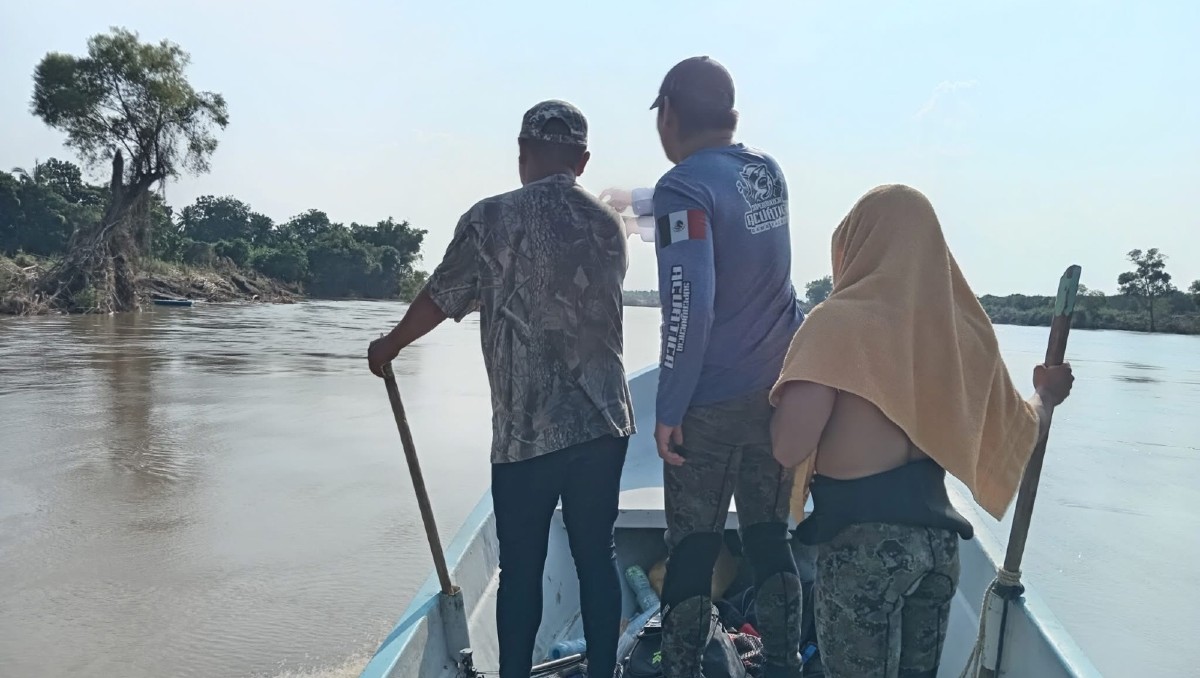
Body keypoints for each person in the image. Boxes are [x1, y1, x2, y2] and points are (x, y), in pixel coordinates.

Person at [367, 100, 635, 678]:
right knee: (596, 558)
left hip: (526, 432)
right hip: (603, 426)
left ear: (521, 155)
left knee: (520, 569)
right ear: (582, 161)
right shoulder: (607, 225)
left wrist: (390, 345)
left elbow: (441, 297)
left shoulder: (490, 220)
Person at [769, 184, 1076, 678]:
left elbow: (789, 447)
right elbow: (1020, 426)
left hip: (864, 548)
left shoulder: (835, 324)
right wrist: (1046, 394)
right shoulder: (961, 336)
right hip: (938, 551)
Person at [606, 56, 807, 678]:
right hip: (774, 399)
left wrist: (669, 410)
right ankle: (782, 667)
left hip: (710, 407)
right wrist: (641, 201)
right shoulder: (765, 174)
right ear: (732, 115)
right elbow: (727, 223)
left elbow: (688, 305)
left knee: (692, 548)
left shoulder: (683, 188)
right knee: (770, 539)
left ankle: (682, 667)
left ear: (667, 115)